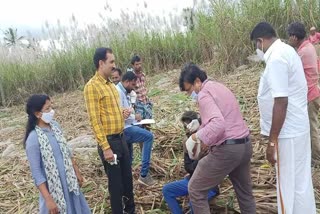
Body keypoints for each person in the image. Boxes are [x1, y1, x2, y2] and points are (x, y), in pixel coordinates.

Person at [250, 22, 316, 214]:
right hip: (298, 128)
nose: (257, 49)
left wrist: (271, 142)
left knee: (286, 186)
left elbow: (281, 102)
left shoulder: (277, 58)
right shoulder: (287, 51)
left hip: (287, 134)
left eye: (256, 45)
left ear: (260, 41)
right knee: (301, 182)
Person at [179, 63, 256, 214]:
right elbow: (224, 116)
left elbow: (219, 124)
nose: (190, 94)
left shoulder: (203, 94)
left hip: (228, 149)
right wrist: (201, 123)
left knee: (195, 189)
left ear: (197, 81)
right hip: (244, 145)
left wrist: (196, 136)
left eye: (189, 90)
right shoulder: (218, 87)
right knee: (245, 195)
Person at [83, 48, 135, 214]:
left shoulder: (112, 86)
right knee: (116, 186)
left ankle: (130, 210)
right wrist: (105, 147)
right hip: (110, 143)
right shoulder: (92, 87)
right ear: (101, 63)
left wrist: (122, 114)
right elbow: (95, 120)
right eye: (111, 62)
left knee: (128, 180)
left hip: (121, 138)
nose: (114, 65)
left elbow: (110, 113)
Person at [24, 94, 91, 214]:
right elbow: (37, 173)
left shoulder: (55, 126)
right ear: (37, 114)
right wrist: (48, 199)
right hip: (54, 190)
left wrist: (76, 171)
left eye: (51, 107)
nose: (51, 111)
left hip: (69, 182)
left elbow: (66, 150)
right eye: (47, 109)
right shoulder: (33, 139)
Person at [162, 111, 219, 214]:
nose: (188, 129)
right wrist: (198, 159)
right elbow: (188, 167)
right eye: (185, 127)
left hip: (208, 186)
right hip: (193, 181)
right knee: (167, 190)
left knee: (195, 200)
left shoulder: (208, 140)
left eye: (190, 125)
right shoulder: (188, 143)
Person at [116, 71, 156, 186]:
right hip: (124, 128)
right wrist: (134, 117)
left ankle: (126, 180)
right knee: (148, 137)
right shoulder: (118, 92)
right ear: (127, 82)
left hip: (128, 125)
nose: (133, 88)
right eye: (133, 85)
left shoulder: (124, 92)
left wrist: (134, 117)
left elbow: (126, 112)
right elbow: (121, 115)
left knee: (129, 156)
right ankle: (144, 175)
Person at [287, 22, 320, 163]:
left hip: (310, 94)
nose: (289, 39)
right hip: (314, 90)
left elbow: (292, 73)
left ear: (294, 37)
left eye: (289, 37)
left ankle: (316, 158)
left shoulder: (302, 52)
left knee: (312, 126)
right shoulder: (309, 46)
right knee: (313, 124)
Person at [130, 55, 153, 119]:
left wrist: (148, 101)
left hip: (146, 102)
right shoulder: (131, 77)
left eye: (140, 64)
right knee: (140, 124)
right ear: (133, 65)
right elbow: (130, 93)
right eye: (136, 64)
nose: (139, 66)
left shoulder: (143, 75)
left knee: (148, 122)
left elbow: (144, 88)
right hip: (138, 105)